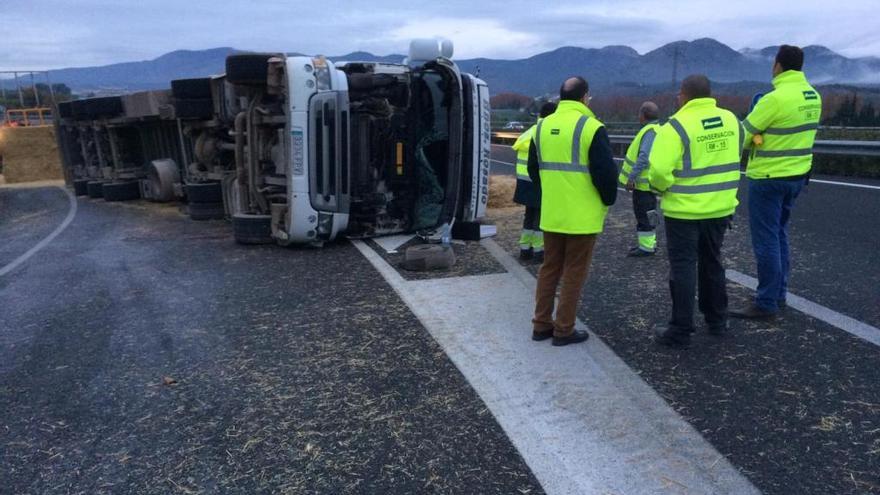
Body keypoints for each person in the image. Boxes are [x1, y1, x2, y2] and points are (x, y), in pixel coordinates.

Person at [648, 75, 743, 348]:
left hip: (684, 211)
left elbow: (658, 171)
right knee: (712, 262)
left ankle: (680, 329)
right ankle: (717, 320)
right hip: (720, 208)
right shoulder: (732, 121)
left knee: (684, 267)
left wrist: (661, 188)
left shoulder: (675, 127)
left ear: (684, 95)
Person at [730, 45, 821, 319]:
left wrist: (753, 135)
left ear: (778, 65)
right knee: (780, 234)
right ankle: (778, 293)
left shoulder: (774, 99)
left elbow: (743, 135)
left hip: (768, 177)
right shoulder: (813, 96)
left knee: (766, 240)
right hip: (796, 177)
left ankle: (766, 302)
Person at [527, 77, 618, 346]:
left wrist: (553, 192)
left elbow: (535, 170)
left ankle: (541, 324)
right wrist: (607, 200)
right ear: (585, 97)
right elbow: (606, 174)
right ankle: (563, 329)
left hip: (552, 212)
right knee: (574, 272)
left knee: (549, 268)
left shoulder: (542, 127)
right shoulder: (591, 127)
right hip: (582, 216)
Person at [512, 102, 557, 262]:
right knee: (540, 217)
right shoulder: (546, 132)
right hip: (538, 181)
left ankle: (525, 249)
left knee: (529, 215)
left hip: (524, 182)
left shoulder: (531, 131)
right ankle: (539, 251)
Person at [619, 101, 662, 257]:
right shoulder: (657, 129)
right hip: (649, 184)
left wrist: (632, 177)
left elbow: (644, 157)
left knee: (643, 214)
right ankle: (649, 244)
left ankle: (646, 247)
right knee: (649, 213)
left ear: (643, 115)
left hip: (643, 185)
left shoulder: (649, 131)